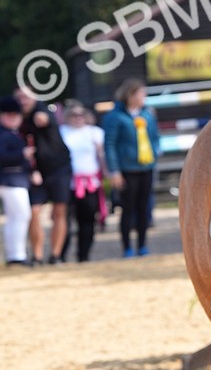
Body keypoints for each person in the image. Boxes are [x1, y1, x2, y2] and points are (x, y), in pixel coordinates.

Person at [103, 78, 160, 257]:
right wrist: (114, 170)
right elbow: (110, 144)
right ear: (130, 95)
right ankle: (127, 247)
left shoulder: (148, 115)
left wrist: (155, 154)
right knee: (127, 209)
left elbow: (155, 137)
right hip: (126, 170)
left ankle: (142, 245)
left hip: (146, 167)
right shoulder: (115, 116)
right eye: (140, 93)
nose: (143, 97)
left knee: (144, 208)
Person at [14, 87, 72, 265]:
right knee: (33, 211)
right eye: (19, 97)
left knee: (59, 211)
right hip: (34, 171)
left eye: (26, 96)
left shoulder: (42, 110)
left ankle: (55, 255)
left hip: (59, 167)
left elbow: (43, 119)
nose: (23, 100)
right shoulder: (16, 119)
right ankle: (37, 256)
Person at [59, 101, 106, 263]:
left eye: (81, 115)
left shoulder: (95, 132)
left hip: (89, 182)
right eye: (74, 115)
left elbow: (101, 156)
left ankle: (83, 254)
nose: (78, 118)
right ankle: (61, 254)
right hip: (68, 182)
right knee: (65, 220)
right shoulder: (62, 132)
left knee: (87, 220)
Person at [0, 95, 40, 266]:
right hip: (10, 179)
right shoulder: (4, 135)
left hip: (16, 178)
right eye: (9, 115)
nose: (13, 118)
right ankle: (16, 255)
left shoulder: (13, 134)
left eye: (15, 115)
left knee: (16, 217)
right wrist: (21, 155)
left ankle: (15, 254)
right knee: (21, 215)